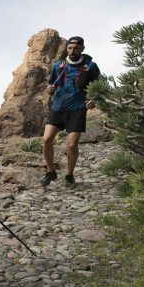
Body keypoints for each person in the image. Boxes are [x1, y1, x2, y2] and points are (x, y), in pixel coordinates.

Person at [41, 36, 101, 189]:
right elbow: (51, 85)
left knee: (72, 145)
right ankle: (50, 171)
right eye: (70, 47)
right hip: (58, 106)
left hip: (77, 108)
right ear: (66, 48)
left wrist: (94, 99)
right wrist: (50, 89)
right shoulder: (58, 65)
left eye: (76, 48)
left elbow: (100, 88)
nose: (72, 50)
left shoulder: (91, 66)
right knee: (47, 139)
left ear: (82, 49)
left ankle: (69, 175)